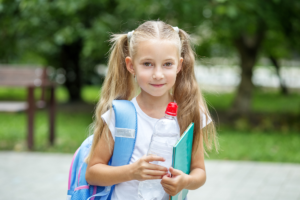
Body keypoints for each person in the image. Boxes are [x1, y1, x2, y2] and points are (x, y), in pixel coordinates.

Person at [85, 20, 218, 200]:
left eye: (167, 64)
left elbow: (199, 172)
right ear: (131, 65)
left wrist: (185, 181)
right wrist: (131, 172)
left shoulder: (190, 114)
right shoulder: (120, 115)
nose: (158, 74)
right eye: (147, 64)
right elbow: (92, 173)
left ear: (179, 65)